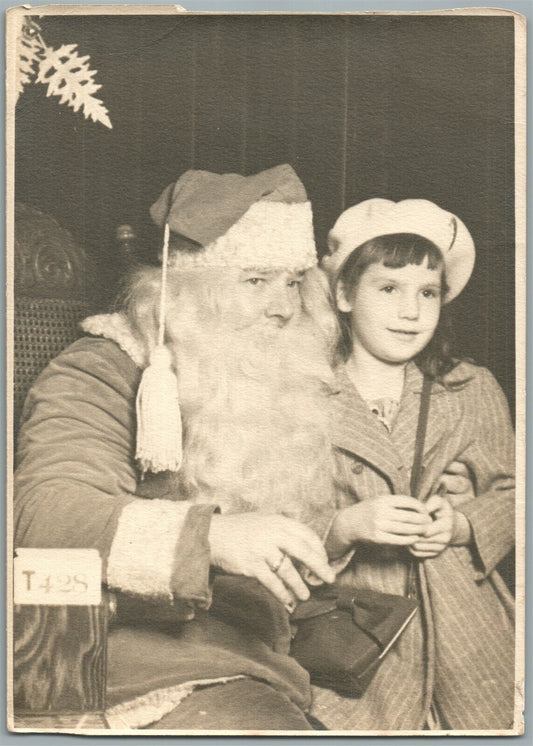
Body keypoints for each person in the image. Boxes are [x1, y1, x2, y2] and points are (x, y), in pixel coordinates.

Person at [14, 164, 338, 731]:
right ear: (186, 290)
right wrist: (210, 536)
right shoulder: (101, 371)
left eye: (293, 282)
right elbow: (42, 516)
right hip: (129, 666)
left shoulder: (272, 368)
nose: (285, 308)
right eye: (256, 281)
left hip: (262, 655)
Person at [308, 198, 515, 730]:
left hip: (467, 637)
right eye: (388, 288)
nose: (411, 311)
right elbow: (263, 513)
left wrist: (466, 525)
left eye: (428, 293)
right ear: (344, 294)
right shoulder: (301, 393)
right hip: (353, 642)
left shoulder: (470, 387)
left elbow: (516, 494)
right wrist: (343, 527)